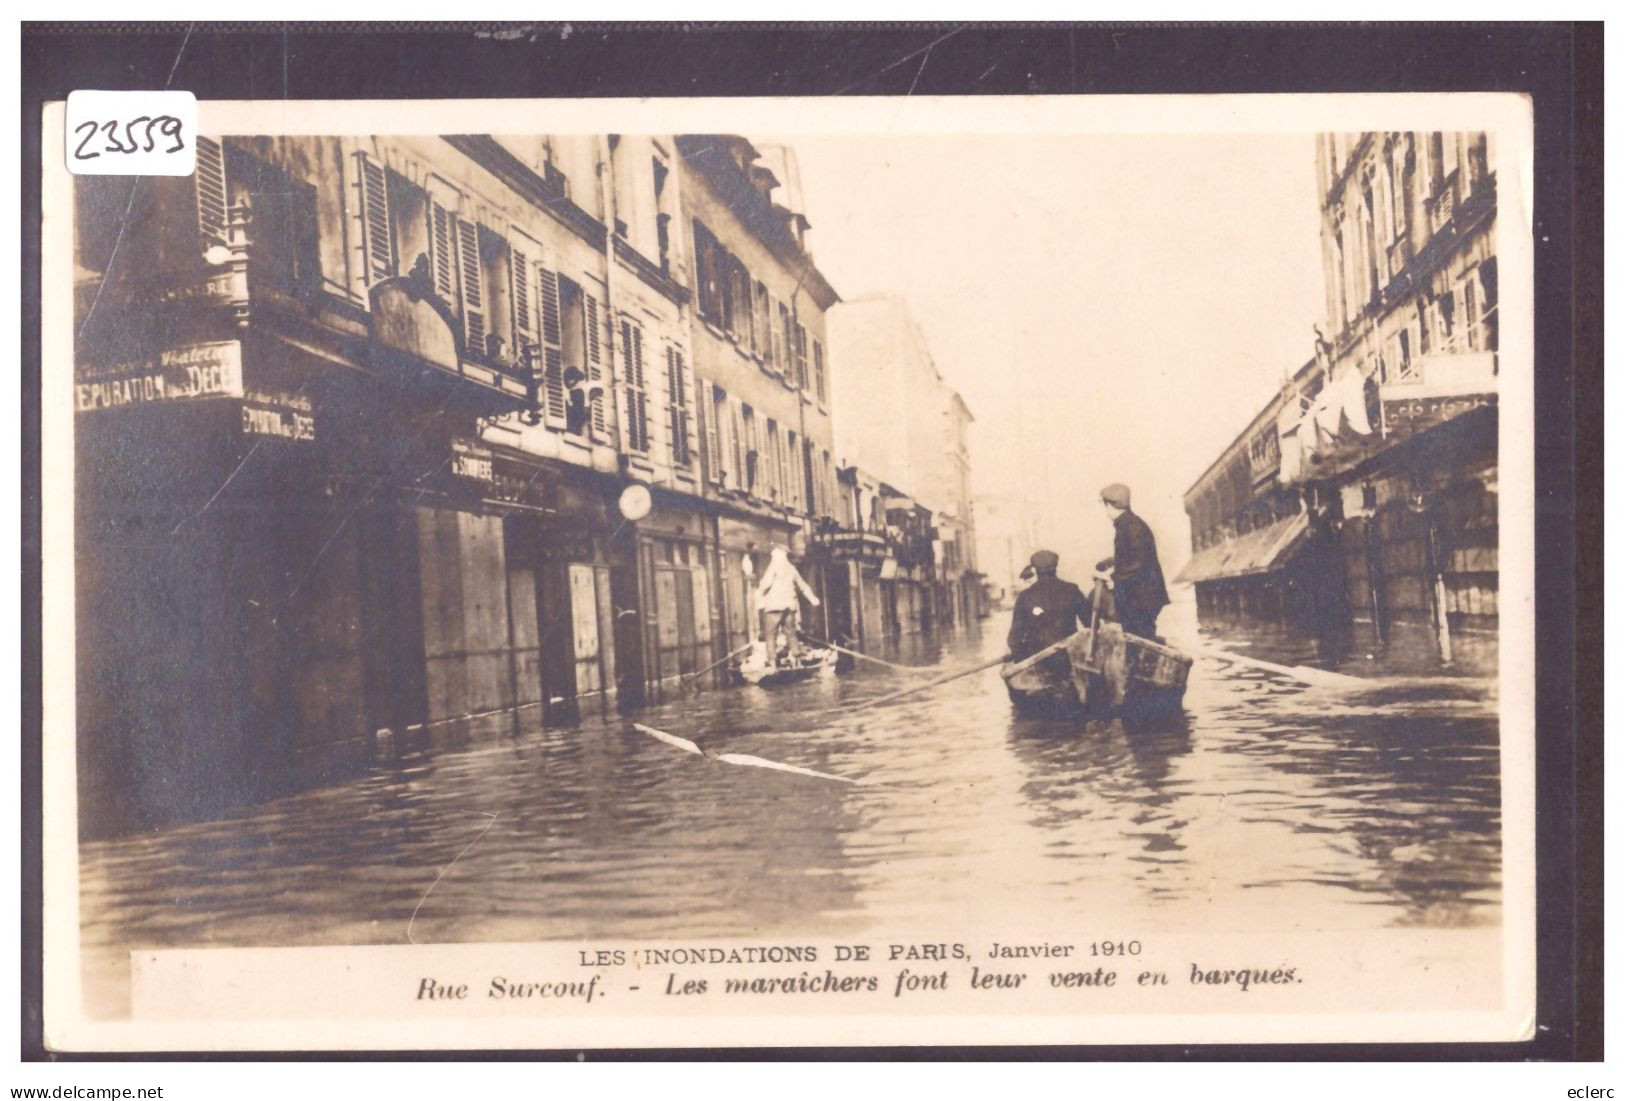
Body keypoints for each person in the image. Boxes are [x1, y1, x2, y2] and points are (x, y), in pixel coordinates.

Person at [1095, 483, 1170, 640]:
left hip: (1141, 599)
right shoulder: (1129, 524)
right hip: (1142, 597)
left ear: (1109, 505)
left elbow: (1138, 562)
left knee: (1139, 641)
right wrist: (1111, 561)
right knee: (1139, 639)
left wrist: (1112, 577)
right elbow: (1134, 554)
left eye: (1104, 505)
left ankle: (1143, 663)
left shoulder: (1131, 526)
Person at [1007, 550, 1093, 664]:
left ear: (1035, 569)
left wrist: (1020, 658)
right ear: (1056, 567)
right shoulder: (1072, 590)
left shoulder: (1025, 596)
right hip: (1068, 658)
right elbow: (1090, 623)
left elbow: (1015, 638)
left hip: (1038, 660)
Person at [756, 544, 820, 665]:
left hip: (774, 606)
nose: (772, 554)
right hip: (789, 607)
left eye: (774, 552)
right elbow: (803, 585)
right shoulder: (791, 568)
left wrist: (759, 594)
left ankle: (772, 662)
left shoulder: (774, 565)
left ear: (779, 553)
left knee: (770, 634)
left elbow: (766, 583)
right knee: (791, 633)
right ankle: (798, 660)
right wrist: (812, 598)